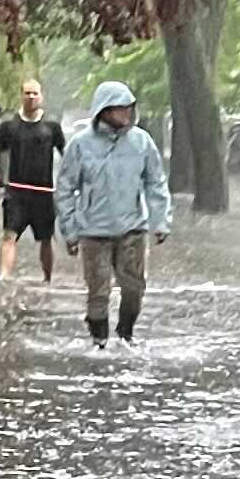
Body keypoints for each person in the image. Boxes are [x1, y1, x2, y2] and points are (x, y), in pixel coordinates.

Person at [54, 76, 172, 345]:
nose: (127, 113)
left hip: (132, 229)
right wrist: (70, 232)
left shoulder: (142, 142)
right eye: (121, 107)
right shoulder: (80, 145)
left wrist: (161, 221)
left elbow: (156, 182)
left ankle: (125, 336)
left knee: (134, 289)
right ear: (105, 111)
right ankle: (99, 342)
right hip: (93, 231)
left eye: (130, 107)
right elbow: (64, 190)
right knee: (98, 292)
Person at [0, 76, 64, 283]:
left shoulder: (52, 127)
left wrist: (75, 179)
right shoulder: (10, 126)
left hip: (43, 194)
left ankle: (48, 280)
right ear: (21, 96)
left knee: (46, 239)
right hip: (16, 194)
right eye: (27, 93)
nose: (31, 97)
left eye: (34, 93)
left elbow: (68, 154)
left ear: (41, 96)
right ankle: (4, 278)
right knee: (9, 236)